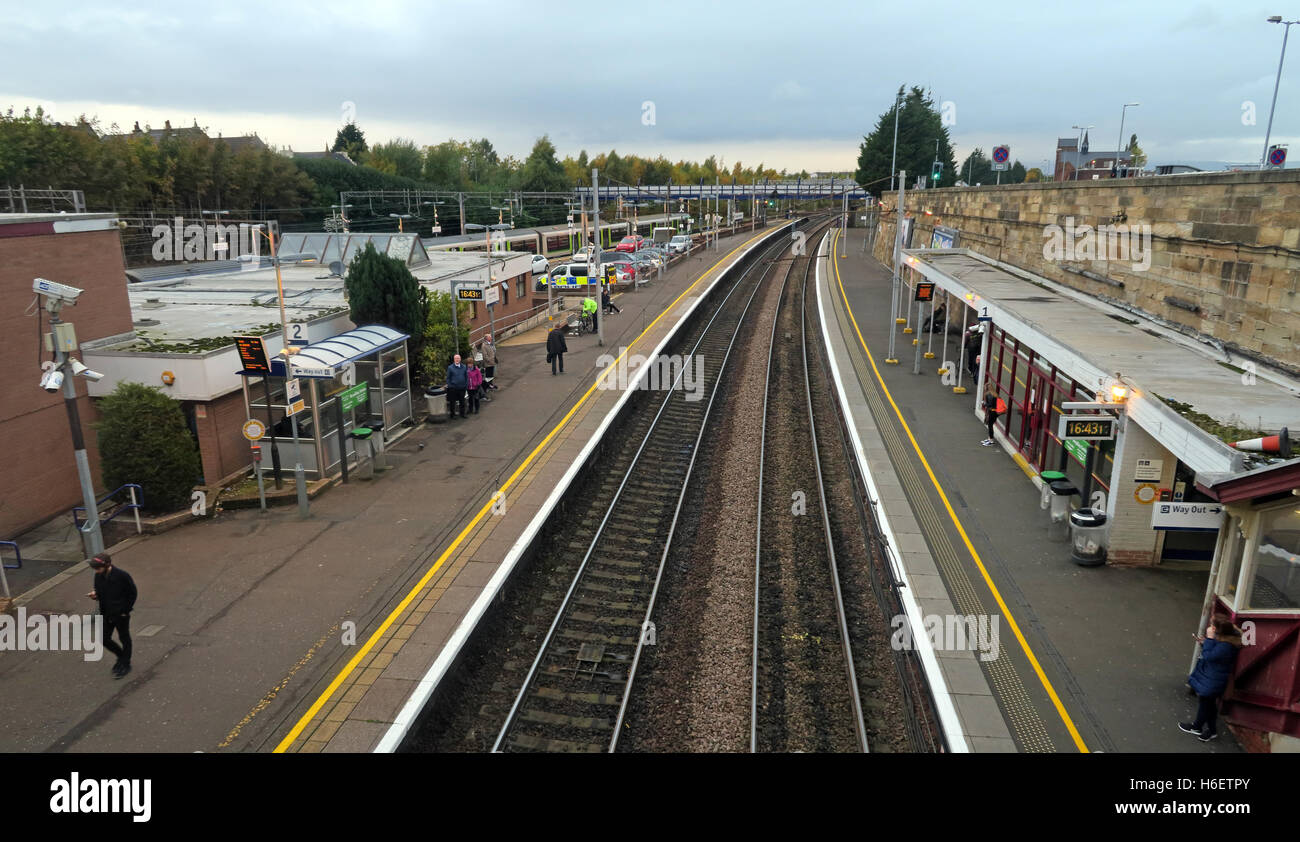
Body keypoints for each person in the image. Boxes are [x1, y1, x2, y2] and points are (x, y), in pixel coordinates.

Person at [1180, 618, 1243, 742]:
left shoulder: (1226, 646)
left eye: (1211, 625)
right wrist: (1206, 643)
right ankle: (1211, 731)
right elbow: (1214, 652)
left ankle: (1197, 727)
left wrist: (1208, 639)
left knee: (1206, 702)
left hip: (1214, 678)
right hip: (1211, 676)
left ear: (1216, 629)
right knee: (1208, 703)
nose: (1209, 627)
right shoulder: (1224, 640)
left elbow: (1210, 656)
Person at [86, 553, 137, 678]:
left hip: (121, 614)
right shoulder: (98, 576)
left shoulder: (122, 576)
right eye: (95, 568)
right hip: (106, 613)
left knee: (124, 638)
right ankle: (121, 656)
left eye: (98, 568)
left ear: (107, 565)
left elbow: (133, 593)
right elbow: (100, 592)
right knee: (104, 639)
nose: (96, 571)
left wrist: (125, 610)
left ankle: (125, 664)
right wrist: (95, 595)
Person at [445, 353, 468, 418]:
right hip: (453, 388)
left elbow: (466, 377)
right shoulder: (450, 367)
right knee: (453, 402)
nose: (457, 360)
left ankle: (462, 414)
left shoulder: (464, 367)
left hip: (462, 388)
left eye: (458, 358)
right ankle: (452, 415)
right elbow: (448, 378)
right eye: (456, 358)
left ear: (460, 359)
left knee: (462, 401)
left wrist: (466, 385)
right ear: (454, 360)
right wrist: (450, 386)